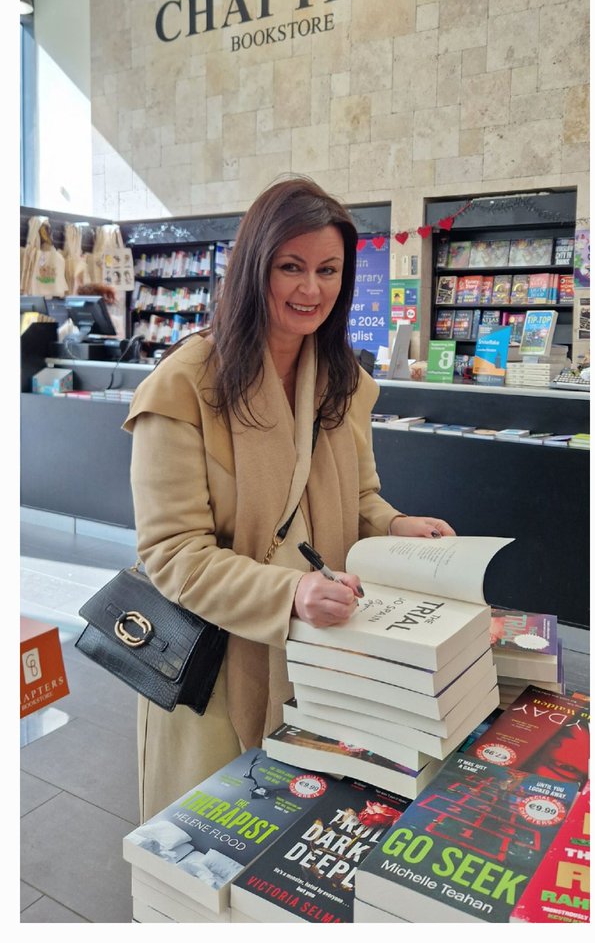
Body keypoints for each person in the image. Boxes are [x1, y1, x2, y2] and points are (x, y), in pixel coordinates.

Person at [124, 176, 454, 820]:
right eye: (291, 267)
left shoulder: (341, 380)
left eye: (329, 270)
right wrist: (290, 592)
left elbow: (361, 495)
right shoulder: (184, 387)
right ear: (255, 269)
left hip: (322, 657)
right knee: (209, 854)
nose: (312, 289)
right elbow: (170, 552)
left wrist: (398, 524)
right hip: (214, 670)